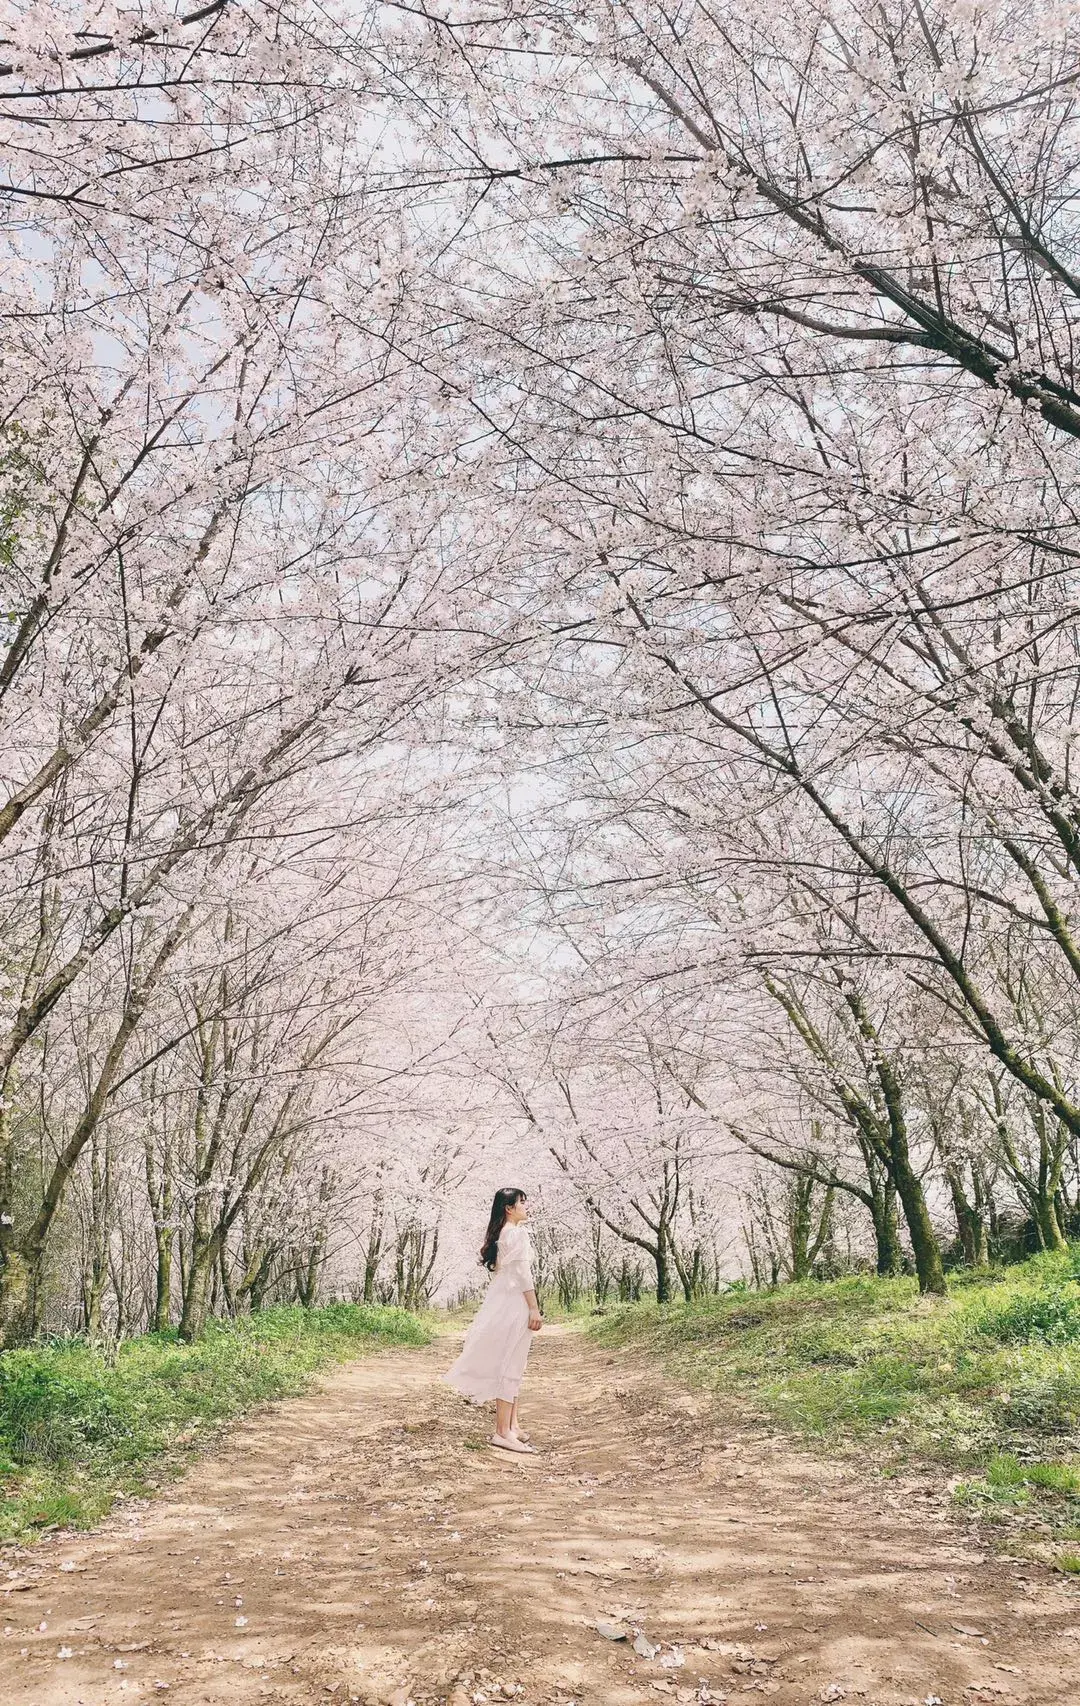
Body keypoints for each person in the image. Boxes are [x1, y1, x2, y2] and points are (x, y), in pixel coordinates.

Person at [444, 1186, 543, 1453]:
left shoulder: (502, 1233)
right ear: (509, 1208)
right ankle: (502, 1431)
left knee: (511, 1362)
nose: (526, 1206)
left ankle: (511, 1426)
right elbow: (523, 1274)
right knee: (511, 1365)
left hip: (501, 1303)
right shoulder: (517, 1234)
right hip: (515, 1304)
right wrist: (534, 1308)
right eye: (522, 1202)